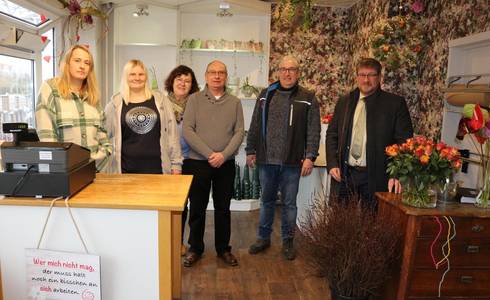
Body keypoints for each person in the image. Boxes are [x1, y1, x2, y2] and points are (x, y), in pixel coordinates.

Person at [245, 55, 321, 261]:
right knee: (267, 201)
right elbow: (254, 124)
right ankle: (263, 237)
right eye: (284, 69)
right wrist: (250, 150)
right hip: (266, 159)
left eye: (292, 69)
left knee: (289, 204)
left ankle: (288, 241)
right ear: (278, 72)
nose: (287, 73)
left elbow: (313, 131)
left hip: (291, 161)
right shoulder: (265, 94)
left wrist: (310, 156)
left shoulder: (308, 97)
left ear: (298, 73)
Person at [325, 57, 413, 208]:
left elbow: (404, 142)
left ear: (379, 77)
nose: (366, 80)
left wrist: (397, 174)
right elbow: (332, 134)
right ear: (357, 77)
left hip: (377, 177)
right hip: (345, 175)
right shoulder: (344, 101)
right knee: (341, 225)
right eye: (362, 75)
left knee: (372, 226)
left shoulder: (395, 104)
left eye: (371, 75)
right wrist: (333, 163)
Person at [182, 60, 244, 267]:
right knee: (197, 208)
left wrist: (223, 155)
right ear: (206, 75)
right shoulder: (194, 100)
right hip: (197, 162)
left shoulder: (235, 102)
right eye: (212, 72)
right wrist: (210, 154)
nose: (217, 76)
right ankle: (195, 248)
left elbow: (239, 132)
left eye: (221, 73)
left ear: (226, 76)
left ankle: (223, 249)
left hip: (225, 164)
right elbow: (188, 130)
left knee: (223, 208)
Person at [36, 45, 111, 171]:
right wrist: (63, 170)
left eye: (87, 63)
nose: (82, 66)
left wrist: (104, 154)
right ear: (67, 63)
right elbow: (47, 138)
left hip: (94, 171)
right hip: (63, 174)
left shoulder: (93, 97)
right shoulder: (50, 89)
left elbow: (102, 136)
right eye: (77, 61)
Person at [104, 59, 182, 174]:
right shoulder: (115, 103)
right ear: (125, 77)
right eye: (132, 74)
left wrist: (176, 164)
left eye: (141, 74)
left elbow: (172, 134)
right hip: (125, 170)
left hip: (158, 168)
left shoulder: (161, 101)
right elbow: (104, 135)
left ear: (146, 77)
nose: (137, 78)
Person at [164, 65, 200, 256]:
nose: (183, 83)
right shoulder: (162, 103)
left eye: (187, 80)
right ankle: (171, 241)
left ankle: (188, 244)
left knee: (191, 204)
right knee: (172, 205)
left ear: (192, 85)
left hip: (192, 159)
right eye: (179, 79)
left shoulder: (197, 104)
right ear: (172, 81)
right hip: (169, 162)